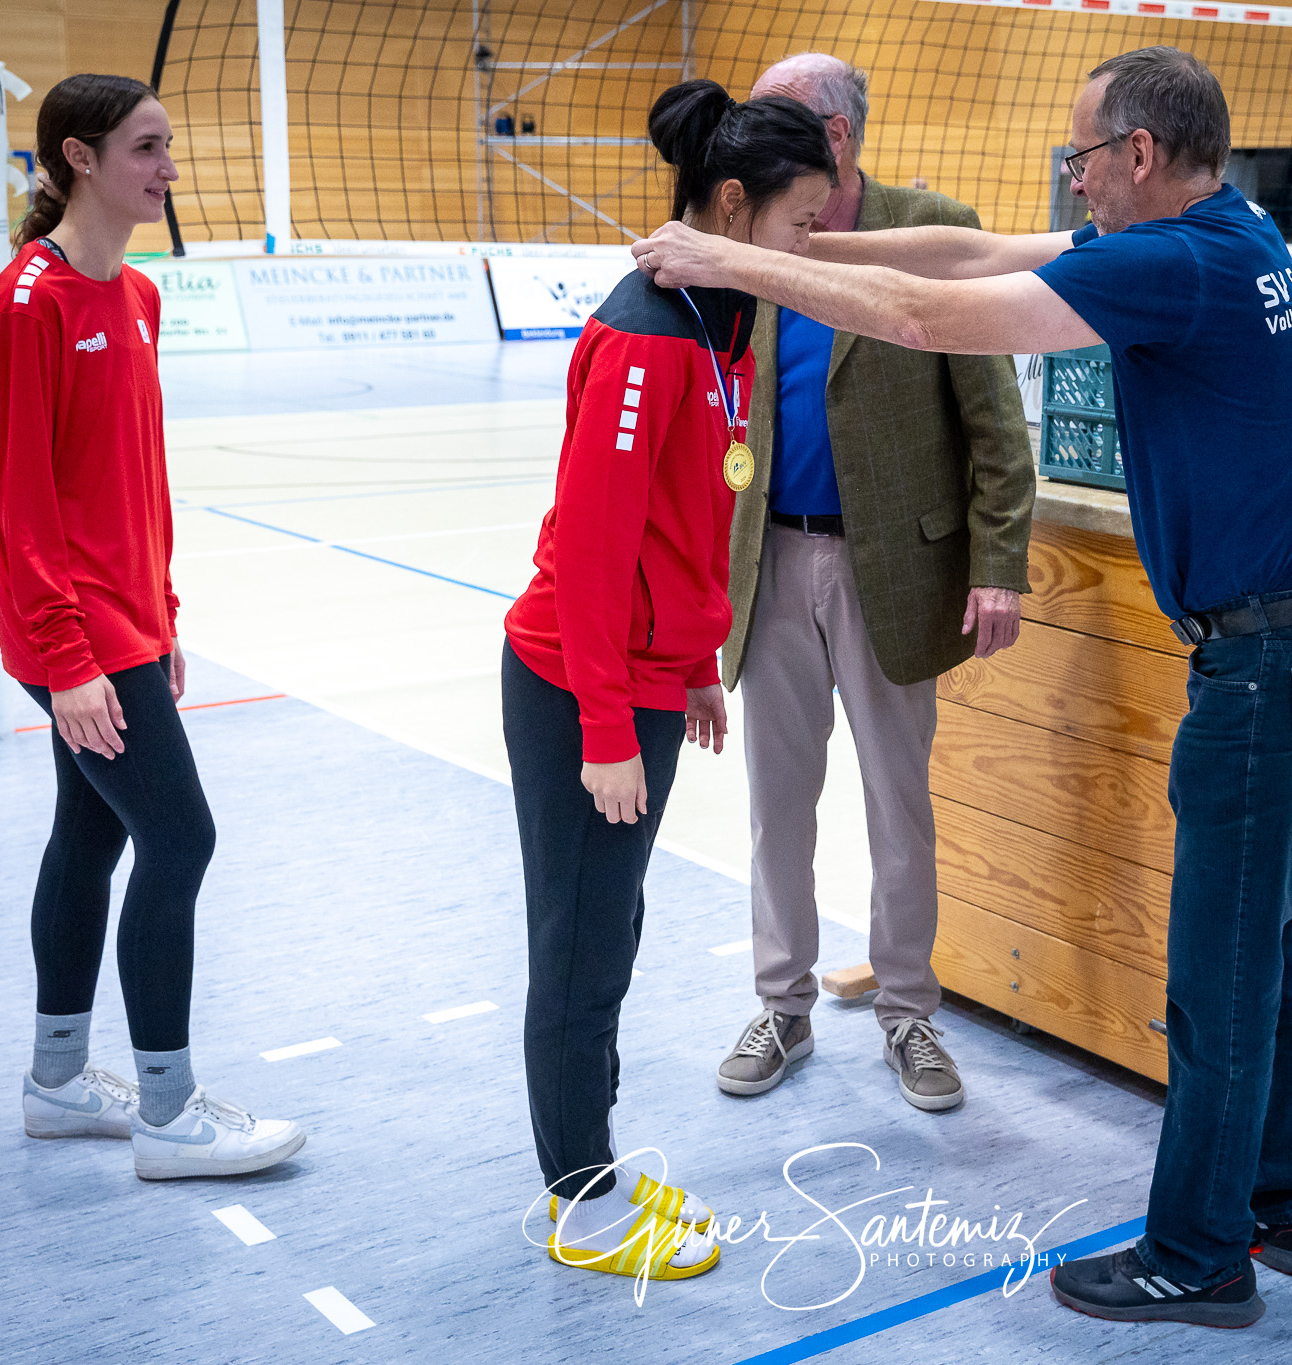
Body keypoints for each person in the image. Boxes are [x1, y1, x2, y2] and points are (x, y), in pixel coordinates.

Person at [634, 44, 1292, 1329]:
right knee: (1278, 948)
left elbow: (938, 321)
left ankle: (1198, 1255)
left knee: (1219, 971)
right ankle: (1282, 1202)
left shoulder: (1175, 258)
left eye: (1083, 158)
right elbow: (961, 257)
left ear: (1139, 156)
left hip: (1277, 667)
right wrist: (816, 250)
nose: (1077, 179)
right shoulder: (1226, 232)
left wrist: (729, 262)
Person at [502, 80, 836, 1284]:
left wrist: (692, 665)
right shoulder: (645, 333)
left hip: (640, 678)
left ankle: (584, 1161)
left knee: (611, 933)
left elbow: (689, 519)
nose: (813, 253)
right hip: (574, 682)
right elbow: (592, 557)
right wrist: (602, 725)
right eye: (804, 226)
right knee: (580, 947)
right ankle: (578, 1199)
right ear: (735, 206)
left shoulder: (718, 322)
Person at [0, 75, 305, 1180]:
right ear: (79, 158)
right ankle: (167, 1116)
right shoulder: (28, 302)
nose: (167, 169)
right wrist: (71, 663)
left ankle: (59, 1084)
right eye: (147, 148)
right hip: (71, 637)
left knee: (94, 834)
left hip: (127, 623)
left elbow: (135, 483)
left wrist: (162, 614)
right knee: (181, 838)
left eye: (169, 148)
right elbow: (20, 502)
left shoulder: (138, 296)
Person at [709, 54, 1035, 1116]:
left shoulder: (927, 228)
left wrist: (997, 564)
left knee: (899, 812)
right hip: (773, 562)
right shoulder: (755, 233)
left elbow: (994, 418)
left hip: (894, 570)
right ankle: (782, 1005)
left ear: (837, 139)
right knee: (776, 812)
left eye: (779, 121)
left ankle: (907, 1014)